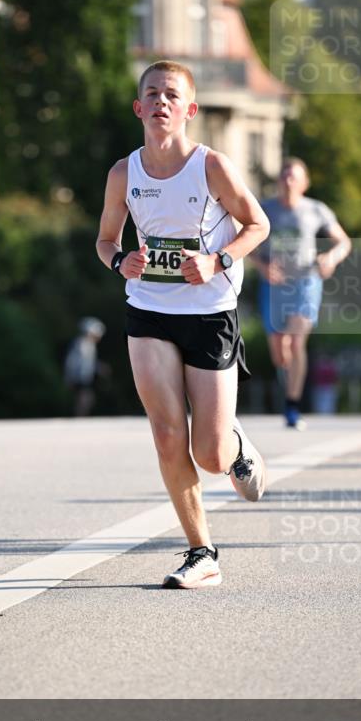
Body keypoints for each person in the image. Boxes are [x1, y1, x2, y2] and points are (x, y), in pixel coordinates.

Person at [96, 60, 270, 589]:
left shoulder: (211, 166)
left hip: (210, 313)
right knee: (167, 432)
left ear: (189, 109)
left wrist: (217, 261)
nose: (161, 102)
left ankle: (234, 445)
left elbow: (257, 224)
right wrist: (120, 260)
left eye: (172, 95)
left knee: (209, 454)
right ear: (138, 107)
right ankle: (202, 552)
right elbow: (105, 240)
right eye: (152, 93)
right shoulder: (124, 173)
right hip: (149, 308)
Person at [252, 158, 351, 430]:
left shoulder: (316, 210)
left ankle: (292, 405)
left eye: (294, 177)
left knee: (296, 343)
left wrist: (331, 258)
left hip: (306, 283)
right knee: (279, 353)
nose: (288, 181)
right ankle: (288, 386)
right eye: (284, 176)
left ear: (304, 183)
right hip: (274, 286)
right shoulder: (264, 209)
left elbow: (344, 242)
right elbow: (243, 241)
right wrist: (262, 265)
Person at [64, 317, 107, 417]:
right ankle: (80, 418)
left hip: (83, 377)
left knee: (85, 398)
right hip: (79, 377)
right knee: (86, 398)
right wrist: (69, 377)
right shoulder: (82, 343)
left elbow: (90, 362)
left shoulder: (87, 344)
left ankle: (80, 417)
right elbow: (73, 361)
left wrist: (100, 368)